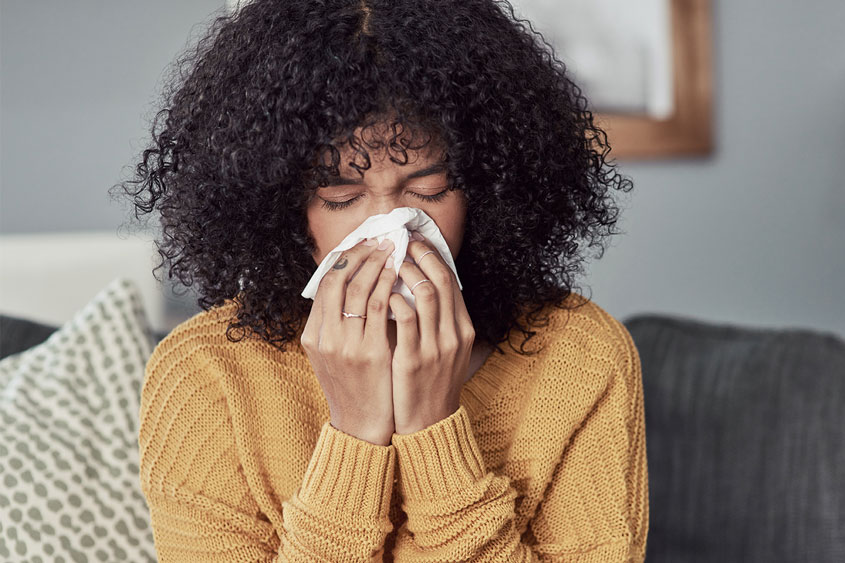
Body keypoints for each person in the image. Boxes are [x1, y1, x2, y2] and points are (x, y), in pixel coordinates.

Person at [118, 0, 647, 560]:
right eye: (341, 197)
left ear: (487, 189)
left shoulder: (582, 357)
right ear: (282, 206)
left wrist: (434, 428)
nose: (389, 229)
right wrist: (354, 433)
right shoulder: (206, 375)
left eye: (429, 190)